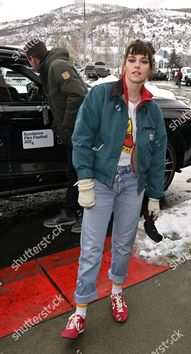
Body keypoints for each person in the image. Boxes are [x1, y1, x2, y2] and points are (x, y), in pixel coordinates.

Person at [61, 39, 167, 339]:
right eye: (132, 59)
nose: (137, 66)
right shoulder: (100, 95)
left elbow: (157, 156)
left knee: (123, 243)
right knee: (91, 247)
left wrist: (155, 195)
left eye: (143, 61)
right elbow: (82, 138)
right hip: (101, 181)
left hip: (133, 184)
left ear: (150, 68)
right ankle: (80, 311)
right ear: (124, 64)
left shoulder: (152, 110)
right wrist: (85, 180)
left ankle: (117, 290)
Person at [24, 40, 88, 233]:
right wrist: (56, 124)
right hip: (71, 133)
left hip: (79, 132)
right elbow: (59, 100)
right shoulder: (49, 69)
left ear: (33, 59)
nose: (30, 65)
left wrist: (66, 124)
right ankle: (69, 212)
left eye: (29, 62)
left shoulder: (57, 66)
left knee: (85, 175)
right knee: (74, 173)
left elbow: (78, 94)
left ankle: (88, 217)